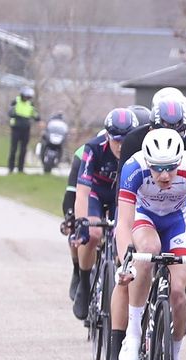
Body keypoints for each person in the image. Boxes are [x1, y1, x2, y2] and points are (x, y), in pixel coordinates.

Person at [103, 95, 186, 360]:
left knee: (179, 295)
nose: (165, 175)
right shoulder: (133, 165)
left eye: (171, 168)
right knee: (147, 251)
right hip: (145, 217)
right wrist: (123, 263)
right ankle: (132, 334)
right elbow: (125, 222)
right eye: (158, 169)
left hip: (177, 221)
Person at [70, 108, 139, 320]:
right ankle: (83, 282)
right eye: (115, 139)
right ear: (107, 135)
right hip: (97, 193)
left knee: (124, 240)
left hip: (122, 195)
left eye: (125, 139)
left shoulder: (138, 150)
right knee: (93, 235)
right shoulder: (93, 148)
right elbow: (82, 192)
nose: (120, 145)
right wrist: (82, 223)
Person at [7, 86, 39, 173]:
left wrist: (37, 117)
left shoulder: (30, 104)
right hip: (16, 128)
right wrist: (16, 115)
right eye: (26, 97)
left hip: (26, 129)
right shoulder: (15, 101)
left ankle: (20, 168)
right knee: (14, 148)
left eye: (28, 97)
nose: (27, 99)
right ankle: (11, 168)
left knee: (23, 149)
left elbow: (35, 114)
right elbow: (10, 112)